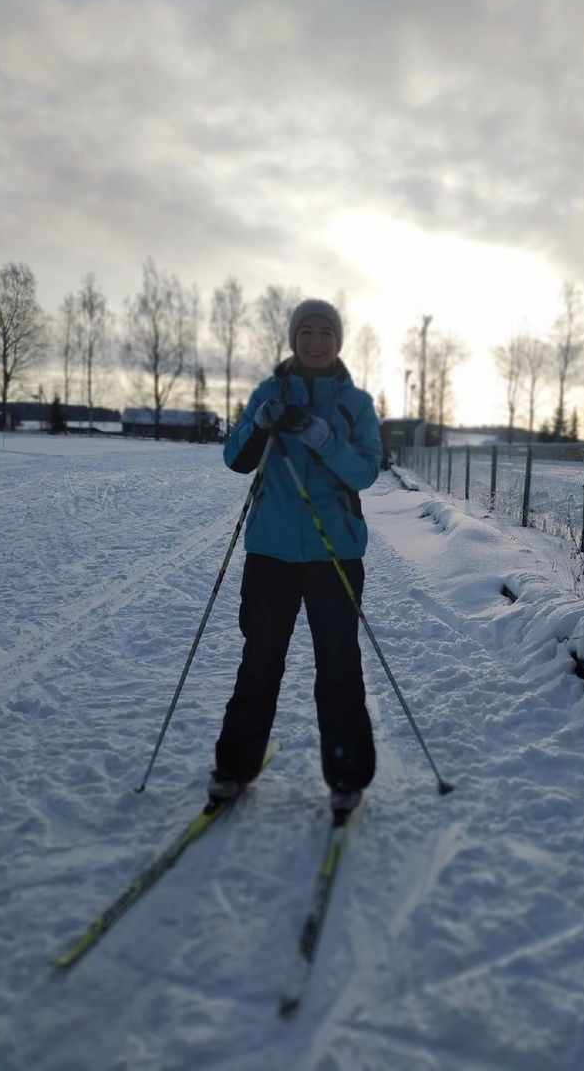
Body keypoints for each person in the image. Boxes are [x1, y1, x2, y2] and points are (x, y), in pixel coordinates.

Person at [208, 299, 383, 816]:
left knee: (338, 664)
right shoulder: (268, 392)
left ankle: (346, 773)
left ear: (337, 341)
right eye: (305, 331)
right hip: (271, 552)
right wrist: (261, 424)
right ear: (293, 338)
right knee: (259, 661)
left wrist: (323, 437)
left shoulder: (355, 403)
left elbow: (365, 472)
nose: (315, 341)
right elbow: (236, 459)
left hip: (335, 554)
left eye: (325, 332)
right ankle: (235, 766)